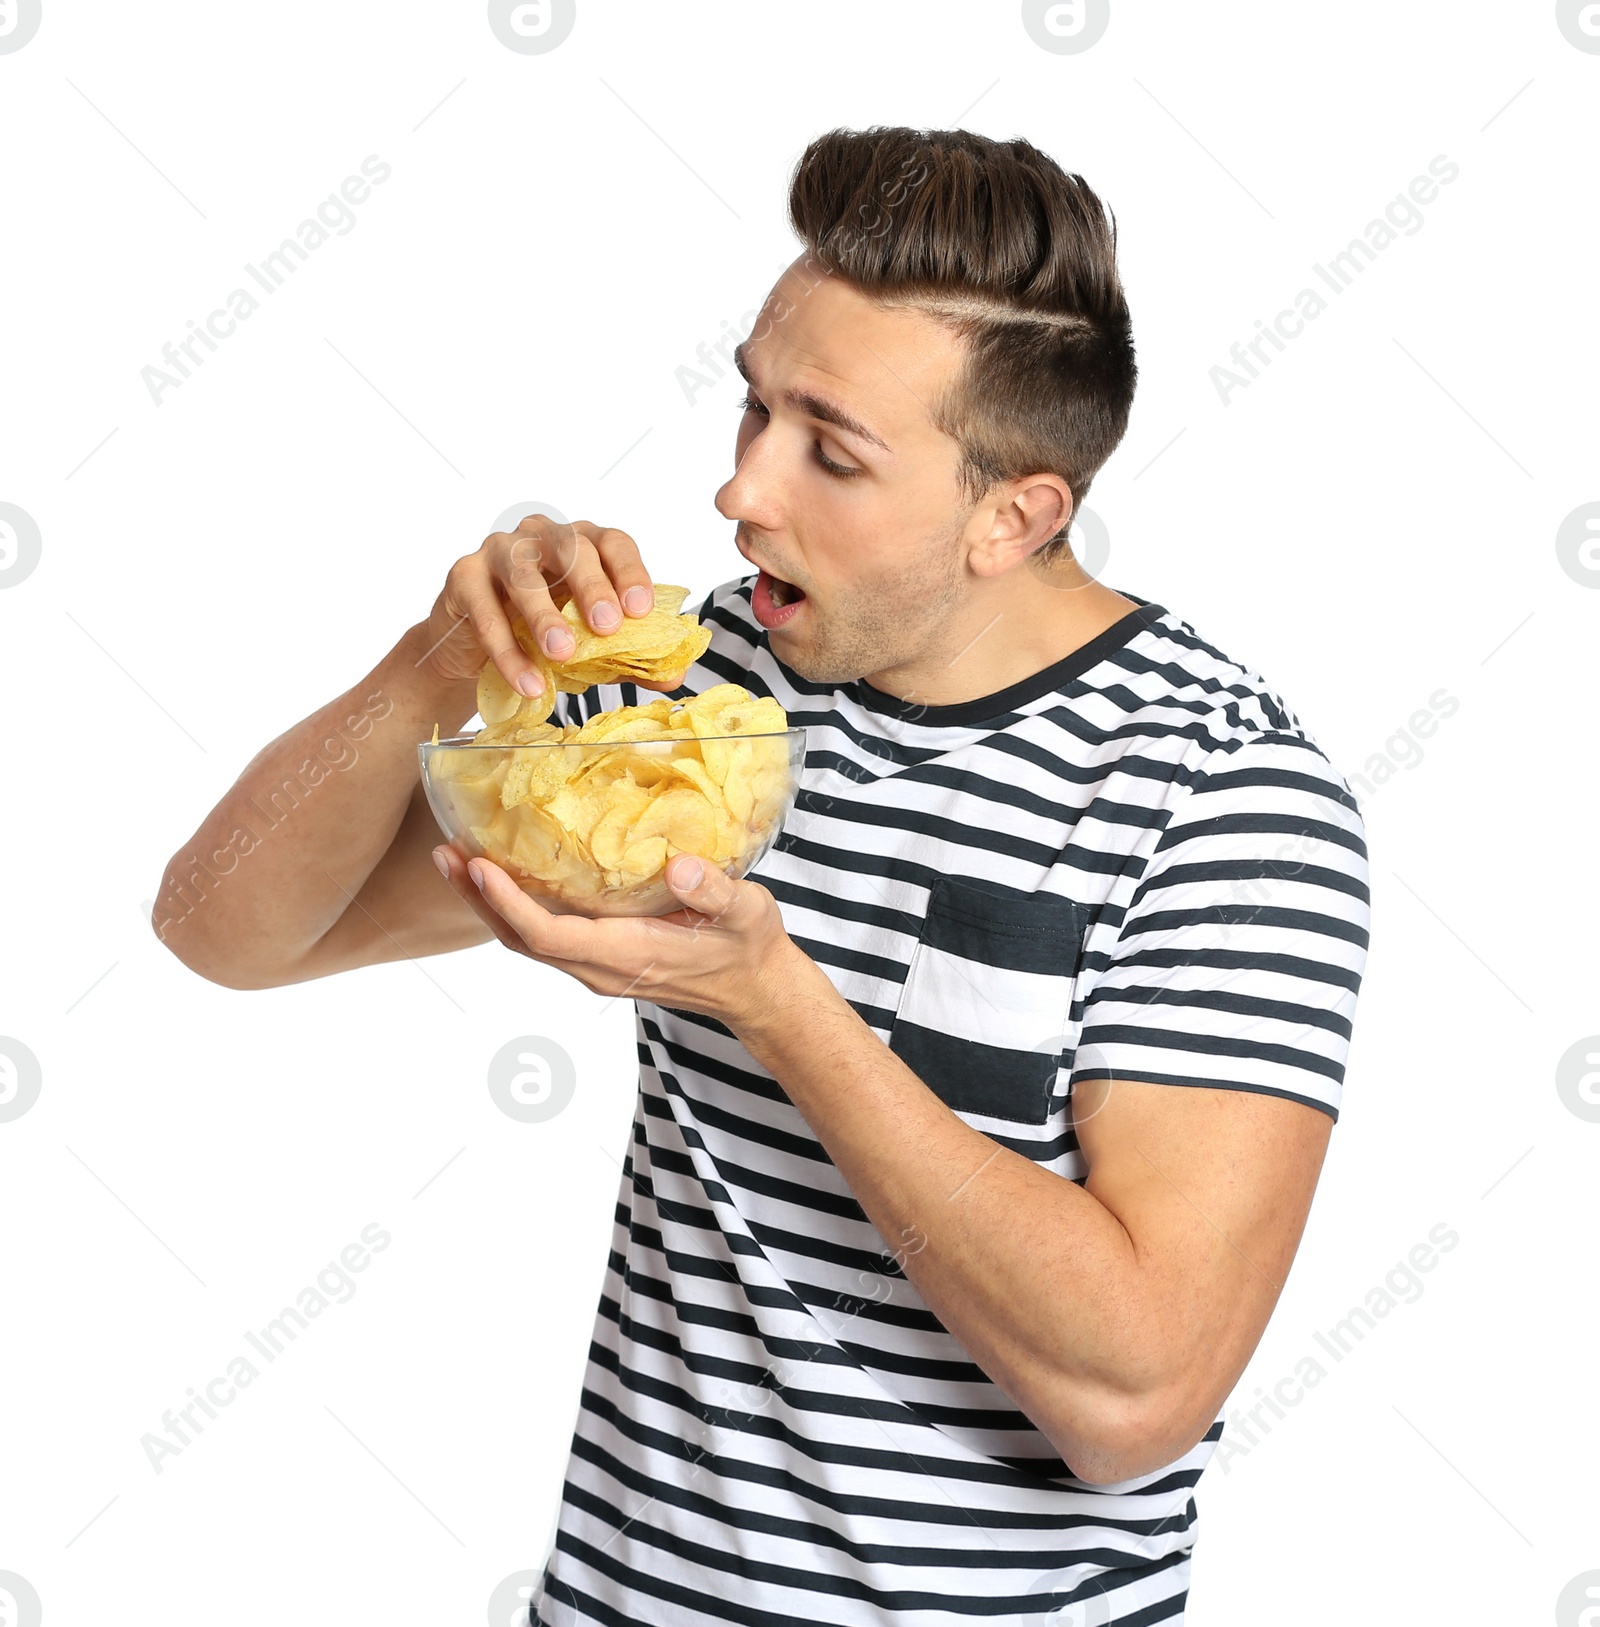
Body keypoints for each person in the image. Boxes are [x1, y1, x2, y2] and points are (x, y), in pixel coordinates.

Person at [155, 126, 1370, 1626]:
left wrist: (774, 1000)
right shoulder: (712, 690)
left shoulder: (1224, 797)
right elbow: (226, 927)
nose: (739, 491)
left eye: (829, 449)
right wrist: (436, 666)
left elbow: (1134, 1402)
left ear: (1018, 514)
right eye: (754, 403)